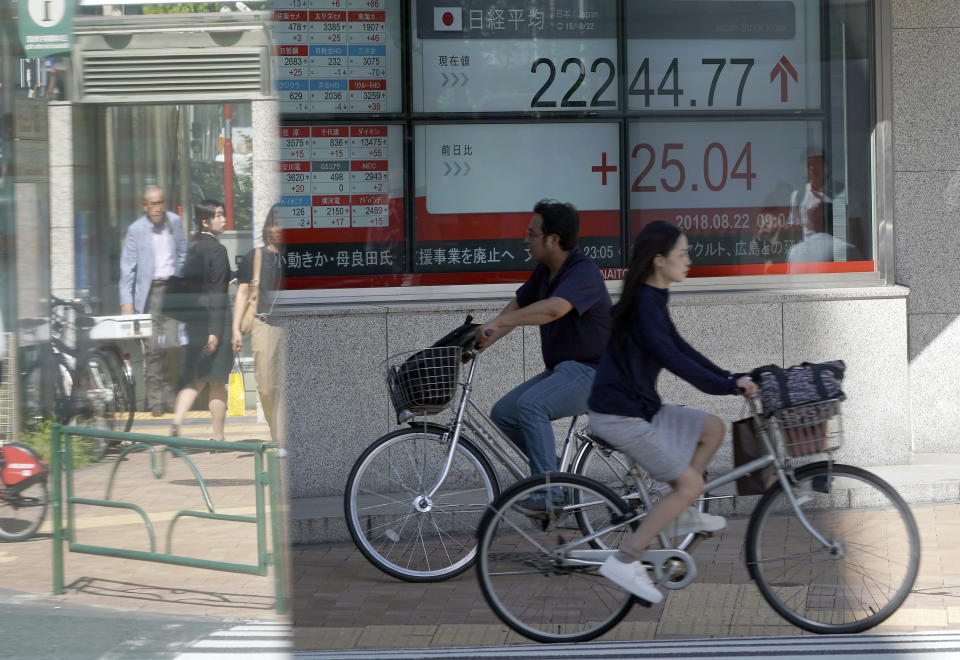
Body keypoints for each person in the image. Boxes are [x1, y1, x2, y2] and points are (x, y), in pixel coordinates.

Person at [587, 220, 757, 603]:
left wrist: (730, 377)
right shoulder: (646, 305)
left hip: (642, 408)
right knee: (690, 485)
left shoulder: (653, 298)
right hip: (620, 415)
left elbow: (682, 349)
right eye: (683, 254)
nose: (689, 260)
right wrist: (728, 385)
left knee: (712, 428)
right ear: (659, 260)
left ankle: (680, 512)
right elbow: (673, 360)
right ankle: (626, 559)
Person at [476, 200, 612, 513]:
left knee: (532, 404)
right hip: (563, 370)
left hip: (594, 372)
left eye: (531, 234)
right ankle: (555, 481)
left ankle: (548, 491)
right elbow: (517, 307)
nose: (526, 239)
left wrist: (498, 323)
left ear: (553, 240)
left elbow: (554, 308)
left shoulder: (584, 271)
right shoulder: (546, 271)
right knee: (505, 414)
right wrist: (480, 342)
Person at [119, 185, 188, 416]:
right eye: (153, 204)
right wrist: (126, 300)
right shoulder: (135, 230)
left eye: (160, 203)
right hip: (148, 294)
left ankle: (170, 397)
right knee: (151, 348)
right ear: (144, 206)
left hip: (171, 291)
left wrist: (179, 277)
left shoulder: (174, 222)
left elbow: (183, 252)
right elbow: (127, 268)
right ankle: (156, 403)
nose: (157, 208)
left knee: (170, 346)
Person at [170, 200, 232, 442]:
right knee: (216, 382)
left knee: (195, 379)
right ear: (205, 221)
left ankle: (176, 422)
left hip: (195, 323)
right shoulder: (217, 250)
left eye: (223, 214)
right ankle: (218, 437)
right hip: (214, 324)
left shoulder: (193, 247)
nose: (223, 219)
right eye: (217, 215)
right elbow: (217, 292)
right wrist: (215, 332)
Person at [232, 206, 286, 442]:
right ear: (267, 228)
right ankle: (277, 433)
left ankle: (284, 439)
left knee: (288, 387)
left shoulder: (302, 257)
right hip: (263, 325)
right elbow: (243, 293)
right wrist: (235, 329)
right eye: (275, 224)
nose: (280, 229)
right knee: (266, 387)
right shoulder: (255, 256)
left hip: (291, 326)